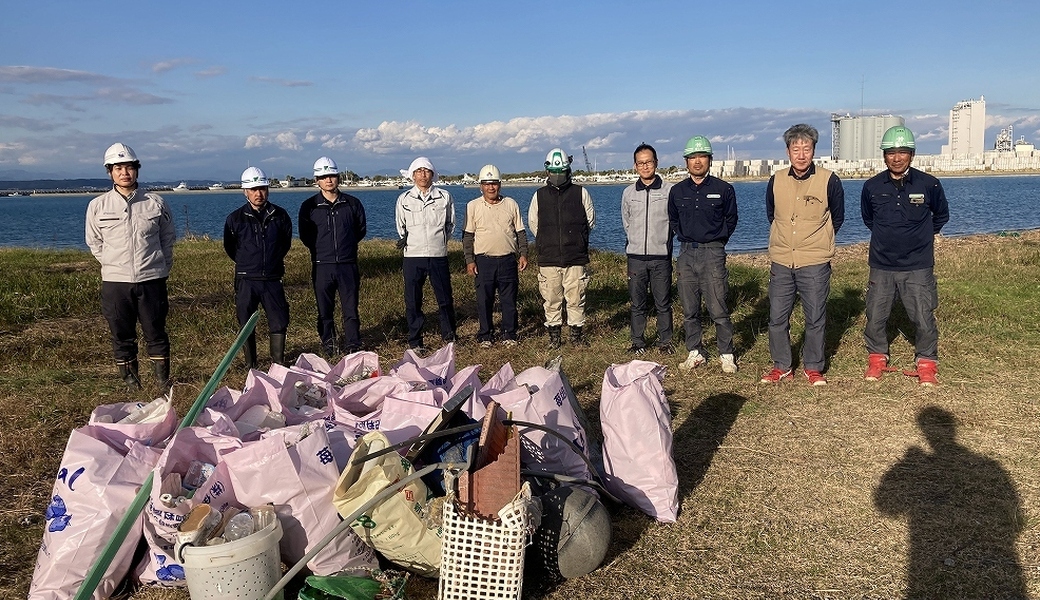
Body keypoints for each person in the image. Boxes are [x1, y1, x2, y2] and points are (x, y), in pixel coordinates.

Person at [861, 126, 950, 386]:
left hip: (918, 265)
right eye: (891, 152)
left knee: (923, 315)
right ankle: (877, 356)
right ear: (884, 155)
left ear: (912, 154)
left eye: (902, 152)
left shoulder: (929, 184)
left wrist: (918, 238)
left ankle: (926, 361)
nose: (896, 157)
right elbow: (869, 219)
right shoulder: (872, 186)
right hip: (882, 264)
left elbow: (941, 216)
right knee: (875, 315)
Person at [85, 143, 175, 391]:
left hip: (152, 279)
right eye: (118, 168)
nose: (124, 173)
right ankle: (131, 384)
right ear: (110, 172)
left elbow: (167, 238)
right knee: (121, 334)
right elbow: (94, 242)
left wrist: (160, 266)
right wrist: (114, 265)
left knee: (156, 332)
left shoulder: (155, 202)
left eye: (129, 167)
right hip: (116, 283)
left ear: (137, 170)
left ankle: (162, 383)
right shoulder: (97, 206)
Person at [761, 124, 844, 386]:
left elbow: (837, 218)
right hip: (782, 260)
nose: (801, 154)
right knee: (777, 317)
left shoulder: (829, 180)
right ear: (788, 151)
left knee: (815, 316)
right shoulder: (776, 180)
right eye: (795, 149)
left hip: (815, 261)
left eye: (806, 149)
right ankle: (782, 365)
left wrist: (817, 242)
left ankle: (813, 366)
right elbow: (772, 214)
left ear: (813, 151)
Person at [667, 136, 739, 373]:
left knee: (718, 307)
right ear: (686, 162)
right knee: (689, 309)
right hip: (686, 253)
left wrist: (717, 241)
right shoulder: (677, 191)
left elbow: (731, 220)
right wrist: (686, 237)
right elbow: (674, 219)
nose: (697, 162)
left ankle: (726, 353)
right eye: (692, 158)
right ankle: (695, 351)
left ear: (709, 159)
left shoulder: (724, 189)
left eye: (702, 157)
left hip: (713, 253)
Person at [223, 166, 293, 369]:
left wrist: (271, 261)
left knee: (279, 320)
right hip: (246, 279)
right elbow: (230, 247)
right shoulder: (234, 219)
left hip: (272, 278)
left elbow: (284, 243)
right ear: (245, 191)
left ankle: (278, 363)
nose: (258, 193)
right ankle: (250, 364)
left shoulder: (280, 215)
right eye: (253, 189)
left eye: (262, 188)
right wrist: (247, 263)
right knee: (246, 322)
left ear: (267, 189)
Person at [298, 156, 368, 356]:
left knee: (350, 308)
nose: (329, 180)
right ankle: (329, 344)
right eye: (323, 176)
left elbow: (360, 230)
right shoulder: (309, 207)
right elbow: (306, 235)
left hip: (347, 264)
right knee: (324, 309)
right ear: (317, 180)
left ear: (338, 178)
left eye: (332, 176)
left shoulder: (352, 203)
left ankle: (353, 344)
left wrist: (346, 247)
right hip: (322, 265)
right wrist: (322, 250)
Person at [528, 148, 596, 349]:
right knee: (551, 299)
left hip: (575, 257)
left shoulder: (581, 193)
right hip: (548, 258)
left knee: (576, 298)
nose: (558, 176)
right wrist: (547, 241)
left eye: (562, 171)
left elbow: (590, 222)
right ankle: (554, 338)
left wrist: (577, 241)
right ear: (547, 170)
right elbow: (534, 225)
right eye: (554, 172)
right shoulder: (538, 196)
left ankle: (576, 336)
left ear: (568, 170)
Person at [463, 164, 529, 348]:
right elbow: (468, 237)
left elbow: (521, 232)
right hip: (484, 261)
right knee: (484, 300)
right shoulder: (472, 206)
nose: (491, 187)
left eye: (494, 183)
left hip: (507, 259)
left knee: (509, 300)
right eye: (486, 184)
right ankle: (485, 335)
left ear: (500, 184)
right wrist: (470, 260)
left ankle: (510, 334)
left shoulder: (511, 204)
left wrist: (523, 254)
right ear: (481, 186)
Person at [395, 157, 456, 352]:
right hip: (413, 256)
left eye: (426, 171)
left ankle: (449, 336)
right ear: (413, 175)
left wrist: (440, 242)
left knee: (445, 298)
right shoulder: (404, 199)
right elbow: (400, 227)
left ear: (433, 174)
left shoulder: (444, 197)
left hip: (438, 254)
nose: (423, 174)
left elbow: (450, 224)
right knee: (413, 300)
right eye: (418, 171)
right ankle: (415, 340)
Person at [622, 143, 674, 356]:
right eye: (641, 163)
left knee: (663, 303)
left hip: (661, 256)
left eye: (649, 162)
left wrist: (663, 241)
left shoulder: (669, 190)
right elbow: (627, 221)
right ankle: (638, 342)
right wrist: (634, 242)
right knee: (637, 303)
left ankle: (665, 342)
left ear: (656, 163)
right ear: (635, 166)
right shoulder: (628, 192)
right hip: (635, 258)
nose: (645, 166)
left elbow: (674, 221)